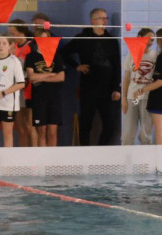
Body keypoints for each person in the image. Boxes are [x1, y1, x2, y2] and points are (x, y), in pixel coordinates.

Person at [61, 7, 121, 146]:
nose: (105, 21)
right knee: (86, 123)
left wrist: (116, 88)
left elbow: (116, 65)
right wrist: (76, 66)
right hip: (89, 87)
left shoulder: (111, 40)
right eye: (101, 18)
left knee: (110, 125)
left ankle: (100, 150)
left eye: (106, 18)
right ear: (93, 21)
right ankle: (85, 152)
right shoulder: (83, 38)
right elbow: (64, 53)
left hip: (107, 89)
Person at [25, 27, 65, 147]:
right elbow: (31, 77)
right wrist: (51, 74)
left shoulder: (56, 56)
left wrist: (40, 77)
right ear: (36, 40)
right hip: (39, 97)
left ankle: (51, 163)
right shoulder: (31, 56)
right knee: (41, 131)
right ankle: (42, 161)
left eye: (47, 39)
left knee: (52, 131)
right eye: (42, 39)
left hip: (54, 97)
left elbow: (61, 77)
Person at [0, 34, 25, 147]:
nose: (1, 46)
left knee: (7, 134)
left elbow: (21, 84)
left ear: (10, 45)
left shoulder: (14, 61)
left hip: (8, 105)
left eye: (4, 43)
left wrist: (2, 93)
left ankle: (7, 164)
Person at [121, 27, 156, 145]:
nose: (150, 42)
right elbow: (126, 79)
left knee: (145, 135)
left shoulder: (155, 56)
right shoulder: (131, 55)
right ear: (140, 38)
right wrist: (124, 100)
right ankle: (128, 160)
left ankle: (146, 161)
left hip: (148, 97)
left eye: (153, 40)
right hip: (132, 97)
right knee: (128, 134)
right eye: (148, 38)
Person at [8, 19, 34, 146]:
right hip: (16, 91)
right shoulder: (13, 47)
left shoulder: (30, 46)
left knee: (29, 125)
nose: (11, 37)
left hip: (28, 90)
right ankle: (23, 157)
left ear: (21, 32)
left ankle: (35, 158)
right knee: (20, 127)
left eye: (13, 33)